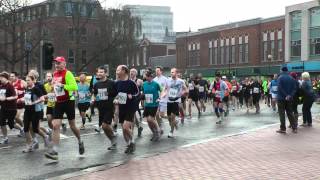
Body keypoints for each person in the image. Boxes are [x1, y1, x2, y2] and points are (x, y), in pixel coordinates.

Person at [45, 56, 84, 160]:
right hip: (59, 102)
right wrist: (52, 90)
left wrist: (62, 85)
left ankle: (80, 140)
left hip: (69, 102)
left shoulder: (68, 73)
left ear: (64, 64)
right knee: (55, 125)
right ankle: (55, 151)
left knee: (72, 126)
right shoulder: (55, 74)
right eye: (55, 63)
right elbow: (55, 88)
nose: (56, 65)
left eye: (59, 63)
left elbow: (74, 87)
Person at [114, 65, 140, 154]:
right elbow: (115, 94)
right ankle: (129, 144)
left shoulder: (131, 83)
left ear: (124, 71)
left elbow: (138, 93)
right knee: (123, 129)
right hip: (122, 107)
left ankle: (132, 141)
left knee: (125, 127)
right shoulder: (117, 83)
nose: (116, 71)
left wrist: (132, 96)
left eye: (118, 70)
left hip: (130, 107)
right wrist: (115, 99)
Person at [22, 75, 50, 153]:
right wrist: (21, 99)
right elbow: (26, 98)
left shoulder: (36, 89)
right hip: (27, 111)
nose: (27, 82)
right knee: (26, 128)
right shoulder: (26, 89)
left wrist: (34, 102)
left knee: (35, 129)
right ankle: (30, 145)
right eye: (26, 80)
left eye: (28, 80)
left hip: (36, 111)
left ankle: (45, 136)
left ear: (33, 80)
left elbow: (42, 99)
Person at [93, 66, 117, 150]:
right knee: (104, 127)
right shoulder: (96, 84)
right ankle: (112, 140)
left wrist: (116, 100)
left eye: (102, 72)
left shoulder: (111, 83)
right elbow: (96, 95)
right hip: (101, 108)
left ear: (106, 73)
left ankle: (113, 136)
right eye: (98, 72)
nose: (99, 73)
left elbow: (117, 93)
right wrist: (94, 99)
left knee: (105, 125)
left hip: (109, 107)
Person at [0, 72, 24, 144]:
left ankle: (21, 129)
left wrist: (6, 99)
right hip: (3, 108)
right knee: (2, 122)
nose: (0, 79)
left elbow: (15, 96)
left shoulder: (10, 86)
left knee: (11, 124)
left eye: (1, 78)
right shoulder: (1, 86)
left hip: (11, 108)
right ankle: (5, 138)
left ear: (5, 78)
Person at [163, 68, 187, 138]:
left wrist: (182, 93)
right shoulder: (168, 80)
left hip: (176, 100)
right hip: (169, 100)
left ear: (176, 73)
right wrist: (162, 95)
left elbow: (186, 90)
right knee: (169, 118)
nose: (171, 73)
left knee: (173, 116)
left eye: (173, 72)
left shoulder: (181, 81)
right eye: (171, 72)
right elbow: (165, 89)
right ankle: (175, 123)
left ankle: (171, 132)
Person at [141, 69, 162, 141]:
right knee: (148, 120)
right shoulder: (144, 84)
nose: (145, 77)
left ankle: (158, 130)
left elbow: (162, 91)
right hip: (147, 104)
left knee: (151, 119)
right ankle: (154, 133)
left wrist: (159, 98)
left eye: (146, 76)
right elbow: (143, 93)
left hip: (154, 104)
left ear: (150, 77)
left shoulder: (156, 84)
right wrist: (142, 101)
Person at [276, 66, 297, 134]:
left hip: (281, 98)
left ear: (282, 71)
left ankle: (283, 128)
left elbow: (280, 87)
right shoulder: (291, 78)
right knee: (290, 113)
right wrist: (290, 95)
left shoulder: (280, 78)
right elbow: (294, 89)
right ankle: (294, 128)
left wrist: (286, 95)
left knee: (281, 113)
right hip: (289, 99)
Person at [153, 66, 168, 135]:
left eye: (158, 70)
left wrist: (165, 93)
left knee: (161, 115)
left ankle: (172, 118)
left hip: (164, 99)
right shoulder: (154, 80)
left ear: (161, 71)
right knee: (156, 114)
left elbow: (167, 88)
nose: (156, 72)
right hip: (157, 99)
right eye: (156, 71)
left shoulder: (165, 79)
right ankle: (160, 126)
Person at [129, 68, 144, 137]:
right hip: (129, 99)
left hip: (136, 99)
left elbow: (143, 90)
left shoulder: (139, 81)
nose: (131, 73)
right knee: (134, 114)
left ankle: (132, 131)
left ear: (136, 73)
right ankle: (139, 127)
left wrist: (142, 99)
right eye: (130, 72)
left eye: (133, 72)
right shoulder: (128, 80)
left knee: (134, 113)